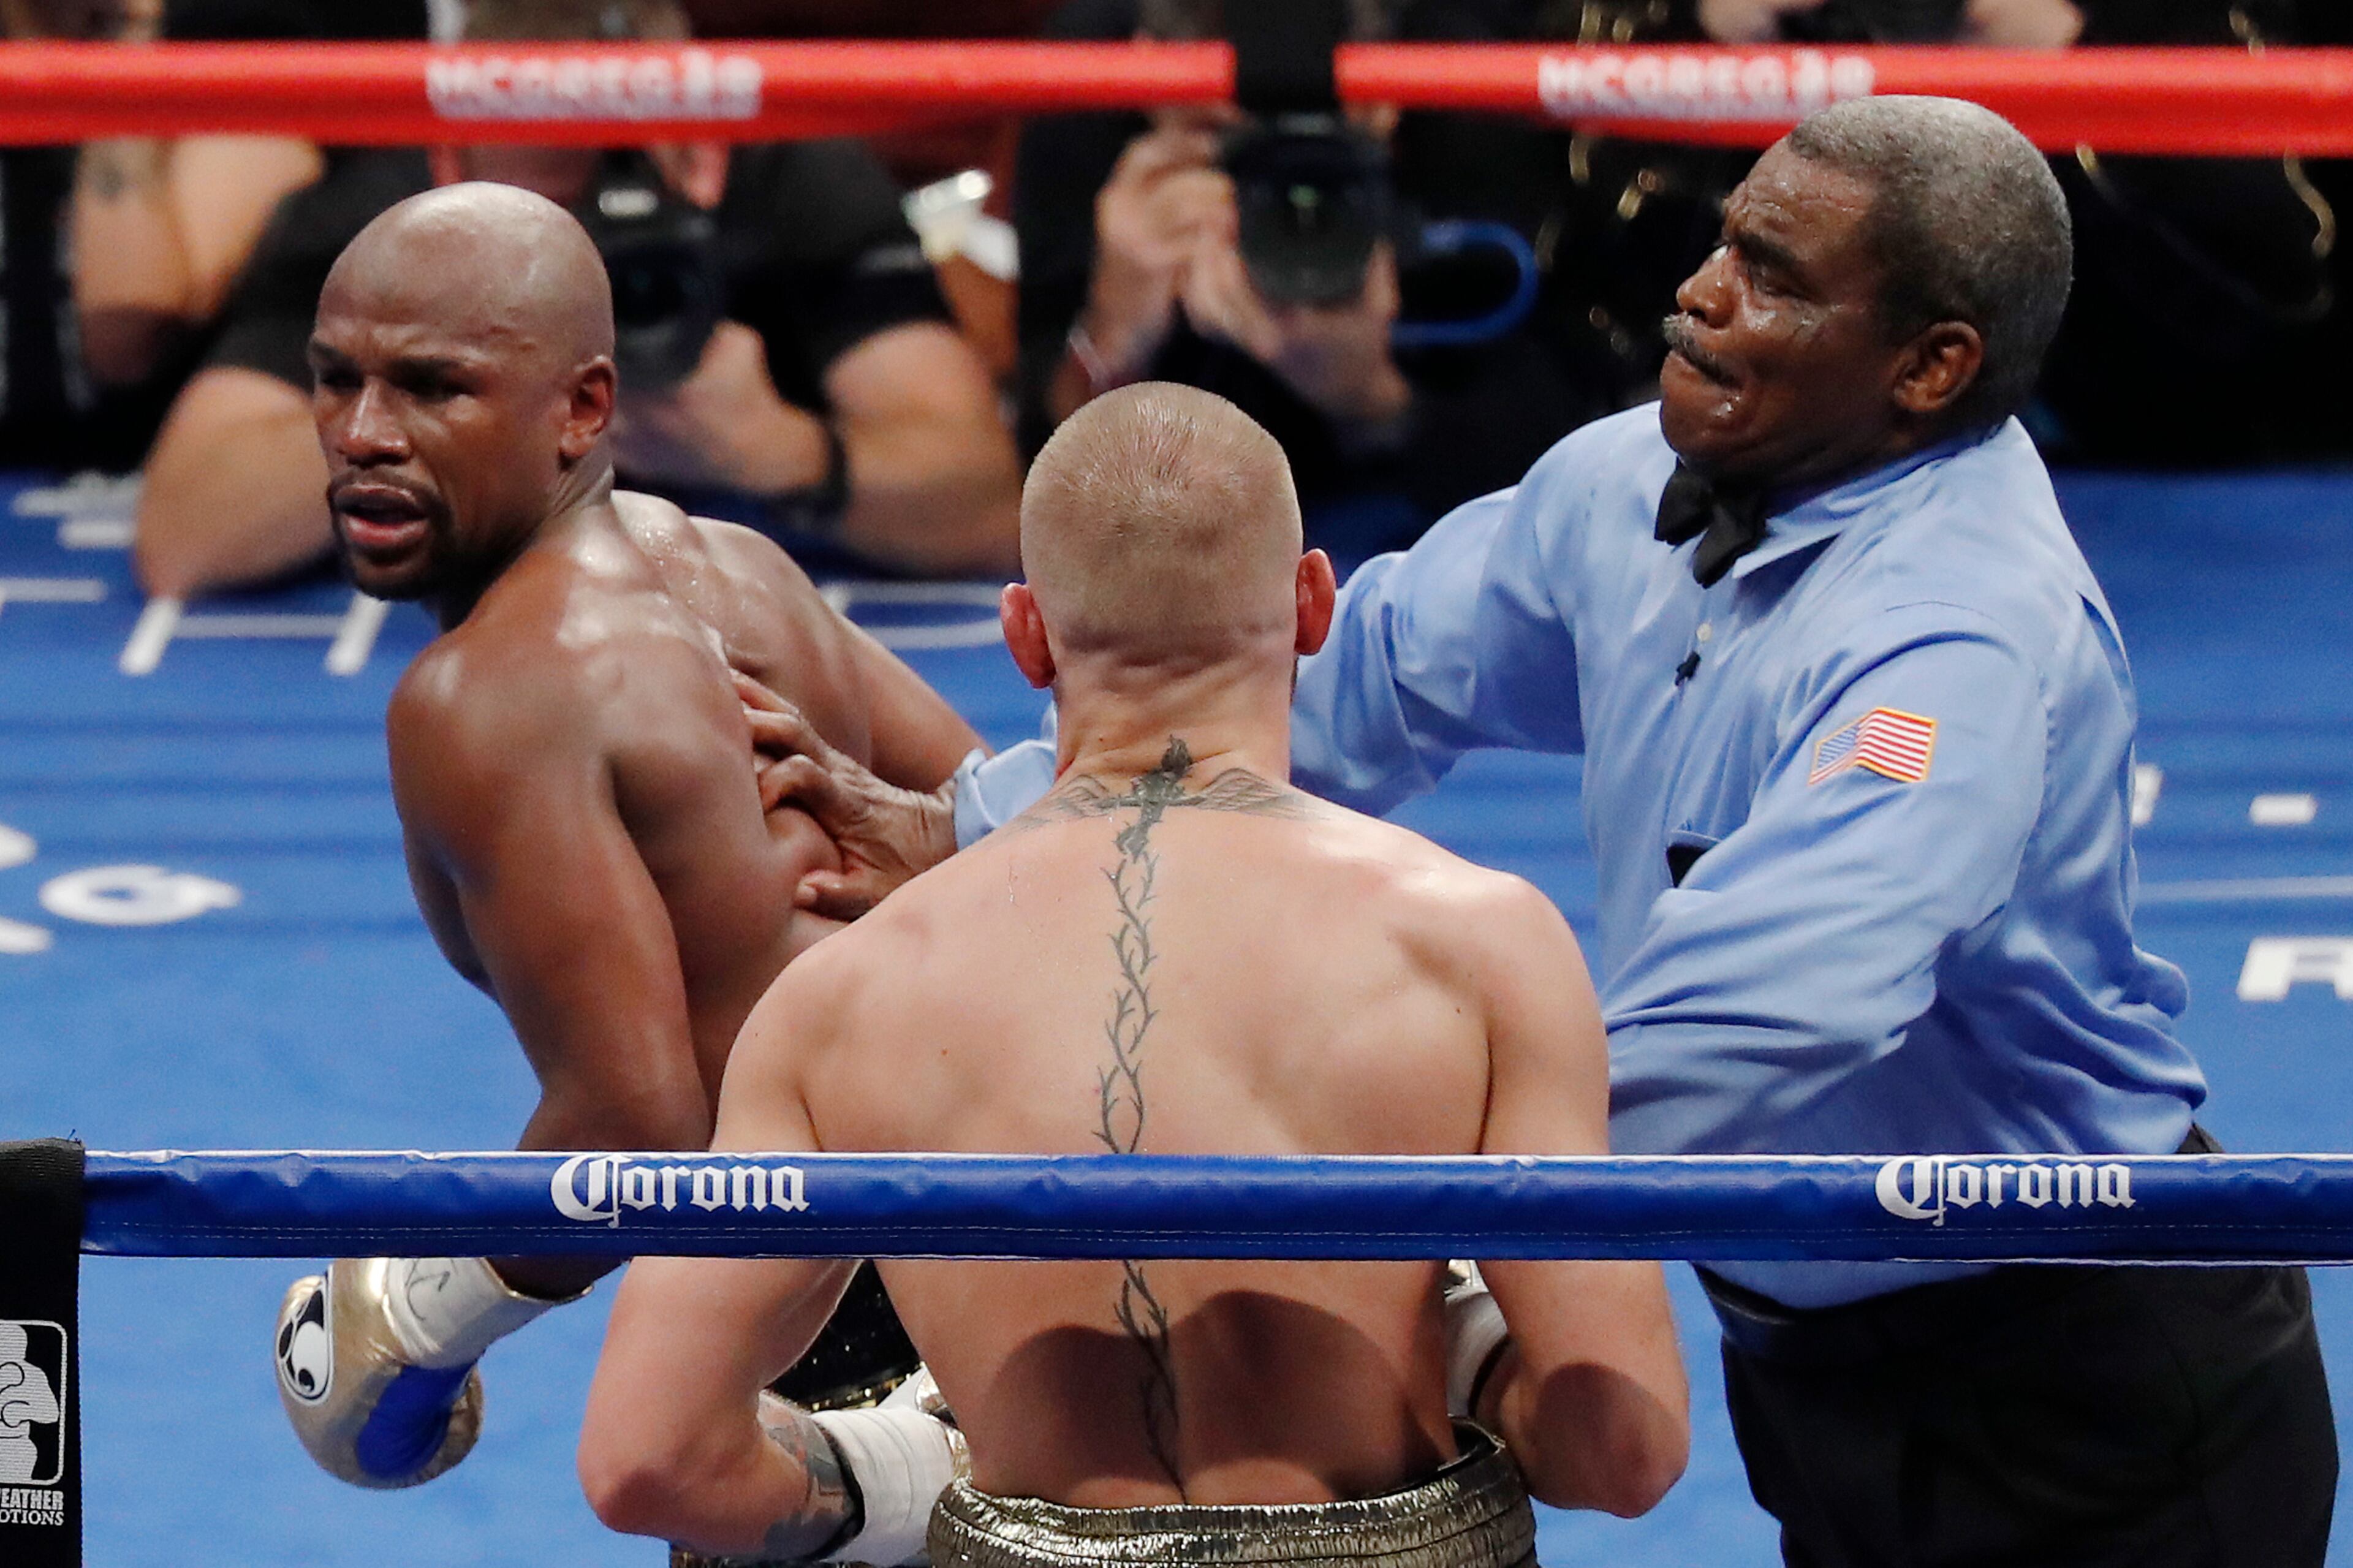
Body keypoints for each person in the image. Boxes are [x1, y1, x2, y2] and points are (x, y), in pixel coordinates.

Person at [751, 99, 2340, 1566]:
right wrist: (995, 824)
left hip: (2084, 1360)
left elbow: (1772, 1001)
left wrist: (1368, 1171)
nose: (1699, 293)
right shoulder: (1626, 479)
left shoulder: (1957, 646)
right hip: (1810, 1343)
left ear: (1928, 367)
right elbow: (1354, 676)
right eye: (1726, 241)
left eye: (1774, 280)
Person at [577, 381, 1688, 1567]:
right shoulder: (1479, 944)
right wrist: (1462, 1334)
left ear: (1027, 633)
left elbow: (650, 1456)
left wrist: (885, 1481)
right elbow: (1616, 1449)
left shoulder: (843, 995)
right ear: (1314, 603)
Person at [265, 181, 980, 1536]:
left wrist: (417, 1314)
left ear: (583, 409)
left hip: (821, 1270)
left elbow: (638, 1123)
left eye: (433, 388)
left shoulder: (483, 694)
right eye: (334, 378)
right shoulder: (743, 569)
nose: (365, 435)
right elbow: (1035, 822)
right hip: (998, 1202)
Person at [133, 0, 1022, 599]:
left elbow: (987, 511)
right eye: (530, 192)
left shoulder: (791, 181)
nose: (568, 246)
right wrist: (463, 406)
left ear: (683, 124)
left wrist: (779, 450)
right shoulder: (386, 216)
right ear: (463, 142)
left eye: (607, 164)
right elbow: (187, 533)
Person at [1015, 0, 1613, 558]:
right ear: (1150, 69)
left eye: (1312, 135)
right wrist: (1111, 339)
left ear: (1384, 103)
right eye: (1229, 138)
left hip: (1421, 536)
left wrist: (1373, 397)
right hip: (1161, 548)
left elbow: (1567, 473)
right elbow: (1033, 495)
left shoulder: (1466, 84)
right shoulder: (1087, 80)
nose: (1278, 182)